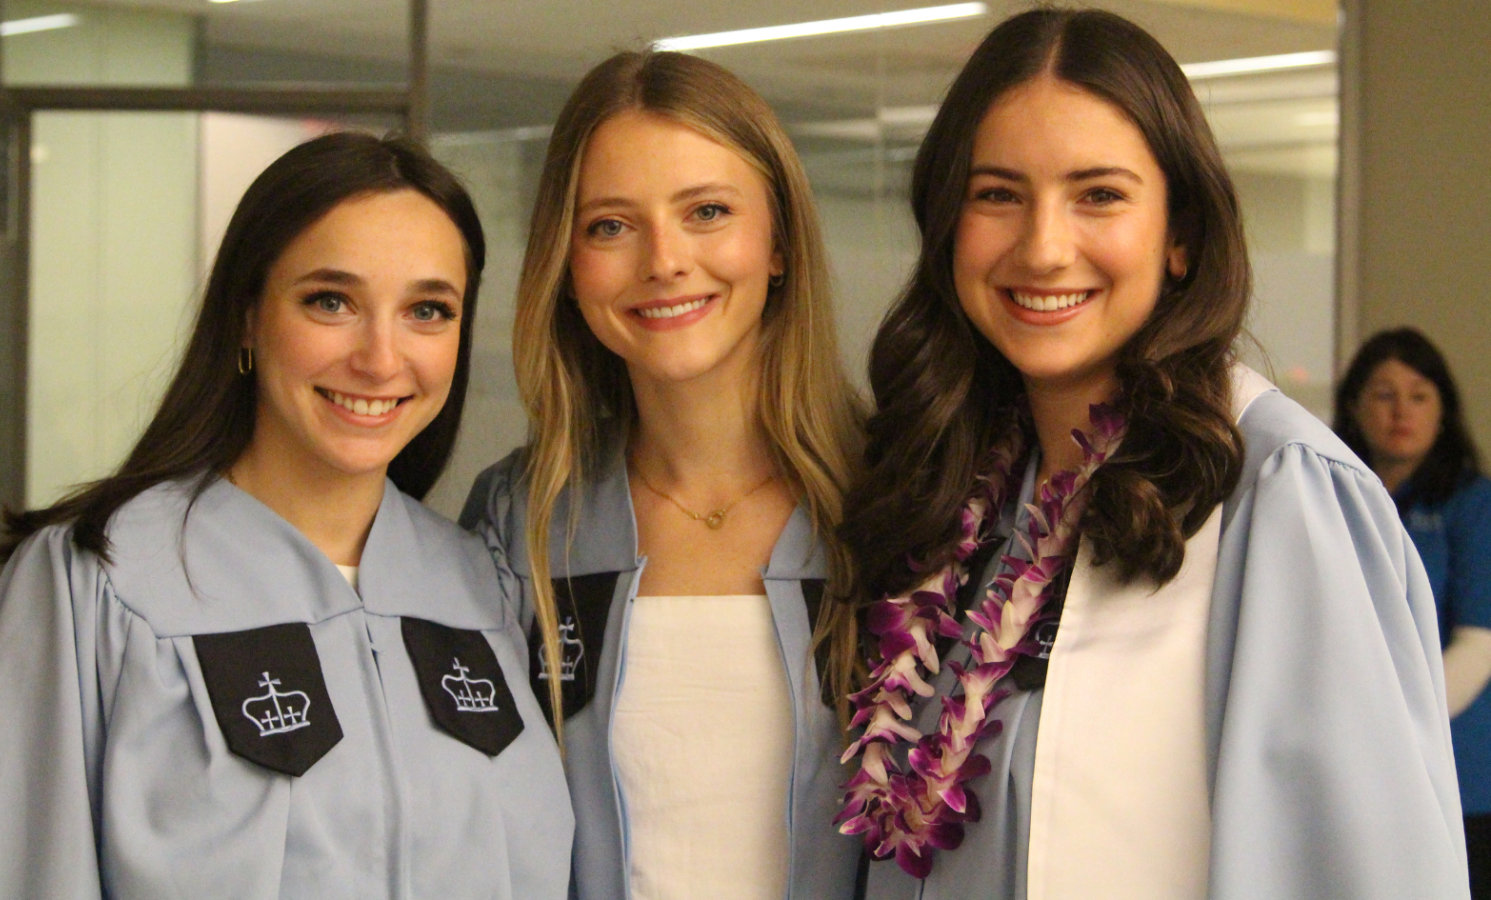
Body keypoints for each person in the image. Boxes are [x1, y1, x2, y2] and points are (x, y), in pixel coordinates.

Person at [836, 9, 1467, 899]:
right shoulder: (961, 490)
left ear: (1181, 235)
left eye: (1099, 194)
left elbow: (1354, 872)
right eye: (997, 194)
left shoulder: (1281, 492)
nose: (1043, 247)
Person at [0, 133, 572, 899]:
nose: (381, 358)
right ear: (248, 316)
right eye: (331, 301)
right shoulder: (102, 583)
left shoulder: (479, 586)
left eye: (427, 309)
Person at [459, 51, 864, 900]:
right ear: (567, 266)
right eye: (611, 225)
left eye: (707, 211)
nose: (665, 261)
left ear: (780, 240)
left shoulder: (900, 499)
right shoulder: (521, 519)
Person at [1336, 326, 1491, 896]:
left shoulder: (1474, 504)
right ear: (1353, 406)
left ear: (1444, 410)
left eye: (1420, 395)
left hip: (1458, 764)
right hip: (1353, 759)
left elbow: (1480, 646)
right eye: (1383, 394)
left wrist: (1395, 727)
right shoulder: (1330, 494)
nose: (1401, 411)